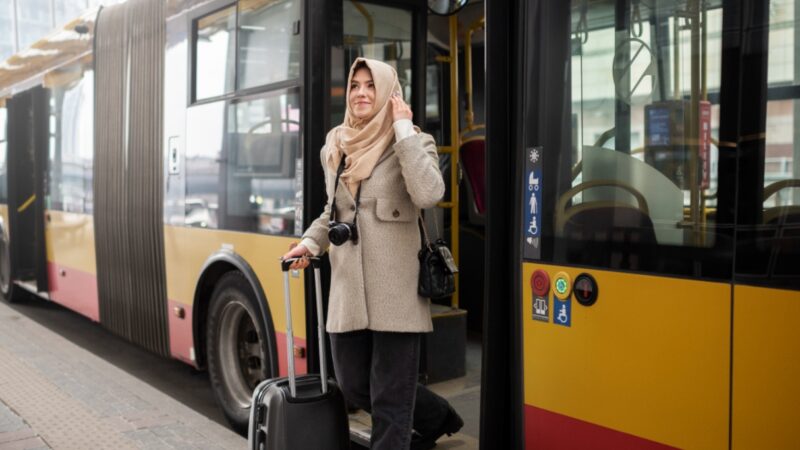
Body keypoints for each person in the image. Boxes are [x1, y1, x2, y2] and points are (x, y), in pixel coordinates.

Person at [281, 57, 463, 450]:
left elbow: (430, 194)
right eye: (355, 86)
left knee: (390, 402)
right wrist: (310, 243)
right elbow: (331, 212)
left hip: (396, 292)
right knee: (354, 385)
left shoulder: (414, 141)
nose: (362, 93)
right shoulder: (336, 145)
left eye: (371, 86)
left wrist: (401, 129)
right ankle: (438, 415)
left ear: (389, 93)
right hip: (348, 291)